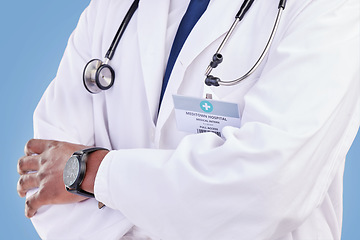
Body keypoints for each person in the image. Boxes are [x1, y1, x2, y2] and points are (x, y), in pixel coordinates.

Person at [16, 0, 359, 239]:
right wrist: (182, 201)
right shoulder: (114, 7)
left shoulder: (328, 9)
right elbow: (44, 175)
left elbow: (263, 191)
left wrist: (91, 171)